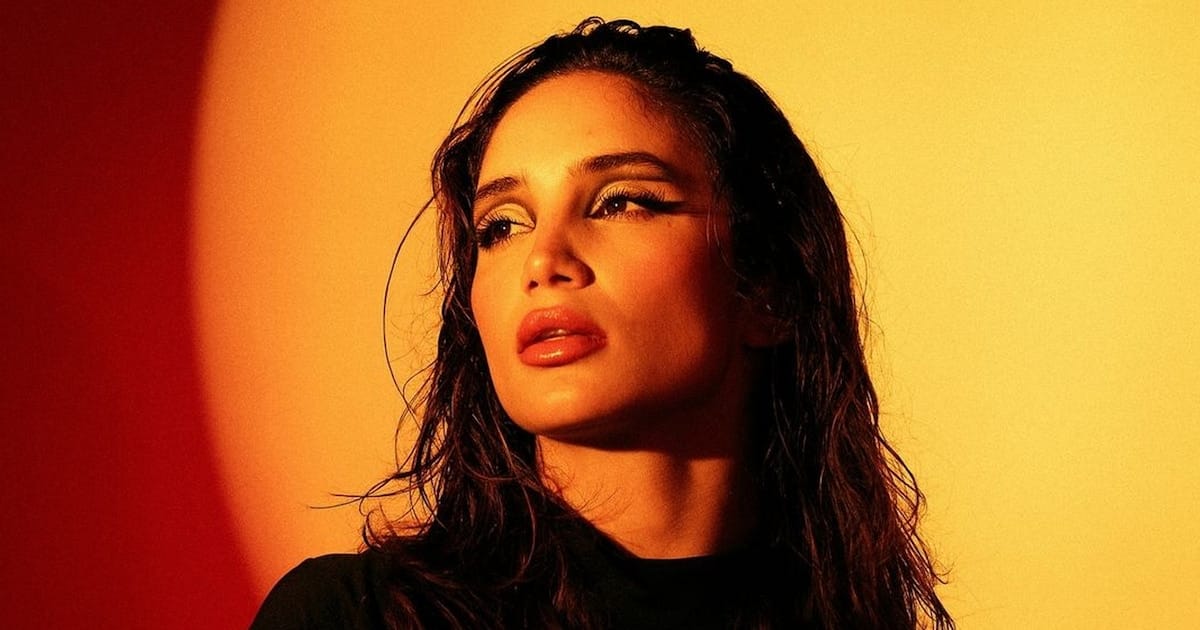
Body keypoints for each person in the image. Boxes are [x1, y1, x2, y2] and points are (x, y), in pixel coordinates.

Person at [251, 17, 953, 630]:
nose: (542, 260)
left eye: (621, 202)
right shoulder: (350, 615)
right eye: (501, 226)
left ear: (768, 288)